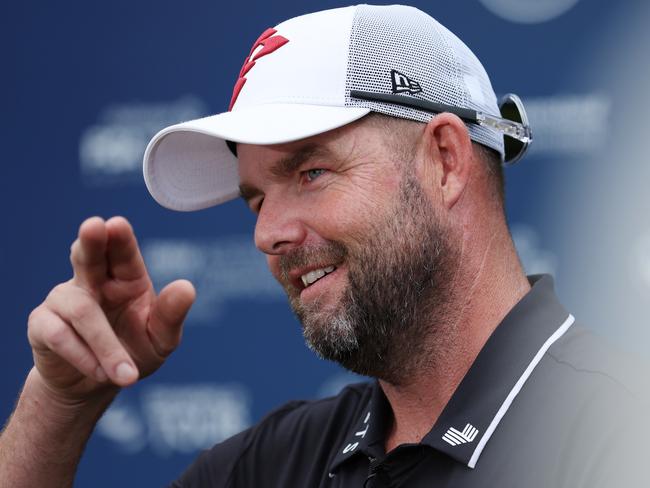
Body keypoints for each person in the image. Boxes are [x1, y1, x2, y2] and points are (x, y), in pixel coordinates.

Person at [0, 4, 647, 487]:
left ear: (446, 161)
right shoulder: (279, 463)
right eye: (255, 197)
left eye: (310, 172)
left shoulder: (621, 440)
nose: (266, 232)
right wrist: (59, 406)